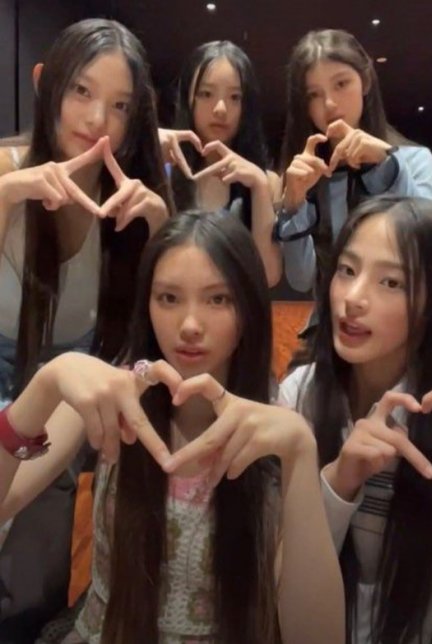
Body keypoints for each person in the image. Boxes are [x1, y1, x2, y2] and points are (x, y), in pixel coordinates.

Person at [0, 211, 344, 643]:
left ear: (250, 309)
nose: (190, 325)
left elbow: (317, 636)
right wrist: (43, 388)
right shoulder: (117, 397)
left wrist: (301, 453)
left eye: (218, 299)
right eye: (168, 298)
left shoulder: (276, 431)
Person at [0, 18, 174, 638]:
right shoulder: (6, 170)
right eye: (81, 90)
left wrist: (160, 227)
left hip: (74, 388)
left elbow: (141, 338)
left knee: (31, 583)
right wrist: (6, 196)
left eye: (120, 105)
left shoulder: (130, 200)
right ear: (44, 84)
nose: (98, 118)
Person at [279, 196, 432, 642]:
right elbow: (282, 575)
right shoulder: (300, 396)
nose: (353, 299)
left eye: (391, 282)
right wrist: (339, 481)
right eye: (347, 270)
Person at [276, 29, 432, 294]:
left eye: (341, 84)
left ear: (365, 81)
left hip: (397, 315)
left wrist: (386, 167)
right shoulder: (308, 174)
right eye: (313, 95)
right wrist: (293, 207)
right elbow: (301, 279)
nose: (329, 103)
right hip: (332, 317)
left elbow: (430, 252)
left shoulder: (413, 160)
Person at [168, 40, 282, 287]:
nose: (220, 109)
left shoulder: (266, 182)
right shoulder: (165, 174)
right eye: (206, 94)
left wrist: (259, 186)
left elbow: (268, 276)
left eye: (234, 97)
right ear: (188, 99)